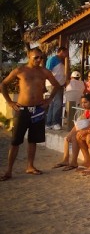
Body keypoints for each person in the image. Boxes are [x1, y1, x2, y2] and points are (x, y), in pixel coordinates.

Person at [1, 47, 61, 180]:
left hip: (38, 110)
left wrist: (49, 100)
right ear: (29, 56)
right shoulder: (20, 71)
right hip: (22, 109)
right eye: (36, 57)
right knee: (16, 141)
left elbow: (57, 85)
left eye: (41, 57)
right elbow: (3, 84)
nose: (39, 60)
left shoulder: (44, 72)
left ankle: (30, 166)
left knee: (33, 140)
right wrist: (10, 102)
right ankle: (8, 170)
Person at [52, 93, 90, 171]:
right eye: (82, 103)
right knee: (68, 138)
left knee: (75, 136)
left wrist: (78, 132)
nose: (83, 105)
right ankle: (66, 160)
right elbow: (78, 124)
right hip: (86, 130)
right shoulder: (86, 111)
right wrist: (71, 133)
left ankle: (74, 162)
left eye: (85, 102)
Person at [45, 46, 69, 130]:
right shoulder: (52, 59)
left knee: (53, 104)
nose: (67, 55)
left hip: (59, 85)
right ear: (61, 51)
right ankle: (55, 122)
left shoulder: (61, 61)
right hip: (54, 85)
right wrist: (54, 83)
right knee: (58, 103)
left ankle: (49, 123)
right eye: (66, 52)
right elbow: (47, 71)